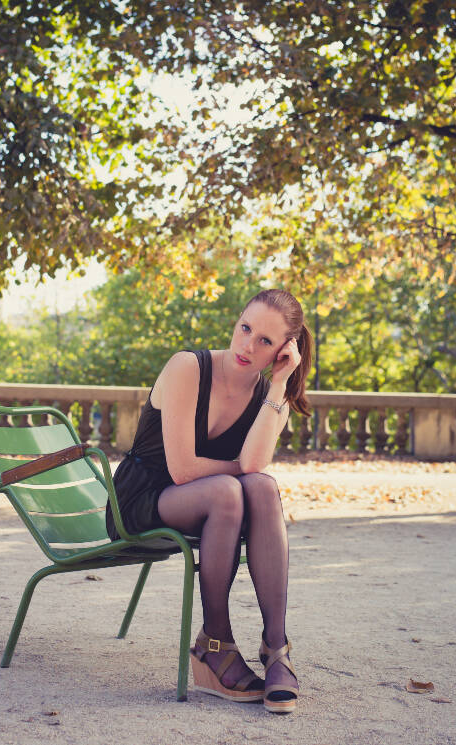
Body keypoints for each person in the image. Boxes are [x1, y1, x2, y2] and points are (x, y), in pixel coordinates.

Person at [105, 289, 313, 713]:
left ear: (282, 352)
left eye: (265, 342)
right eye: (245, 328)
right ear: (236, 321)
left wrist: (277, 385)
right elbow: (182, 470)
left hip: (214, 504)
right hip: (142, 499)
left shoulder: (273, 396)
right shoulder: (188, 368)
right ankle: (214, 644)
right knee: (234, 488)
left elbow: (255, 470)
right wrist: (244, 467)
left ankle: (276, 647)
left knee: (262, 488)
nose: (248, 346)